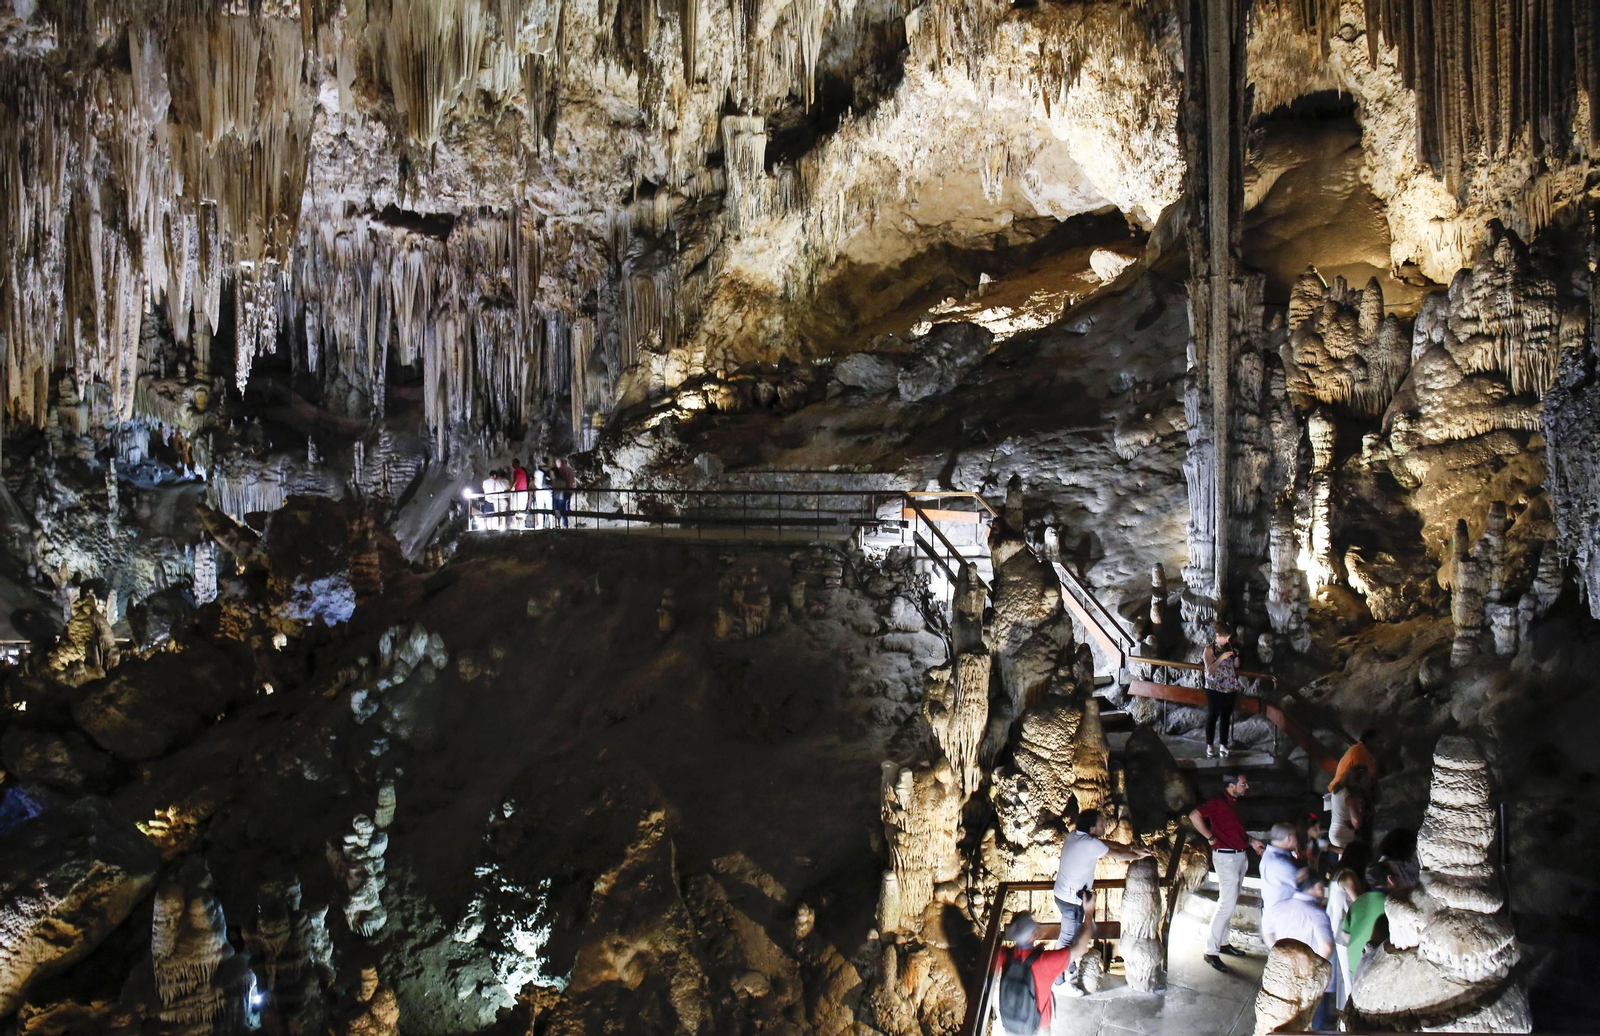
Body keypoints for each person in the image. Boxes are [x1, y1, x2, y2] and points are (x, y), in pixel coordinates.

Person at [1188, 774, 1267, 972]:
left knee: (1229, 901)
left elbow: (1234, 830)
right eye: (1243, 784)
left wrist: (1252, 842)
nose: (1246, 787)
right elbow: (1194, 815)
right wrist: (1209, 837)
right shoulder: (1218, 802)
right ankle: (1211, 951)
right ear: (1231, 785)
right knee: (1227, 904)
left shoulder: (1234, 803)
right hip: (1226, 857)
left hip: (1239, 855)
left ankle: (1223, 942)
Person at [994, 899, 1097, 1034]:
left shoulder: (1003, 954)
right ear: (1034, 935)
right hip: (1039, 1024)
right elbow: (1081, 947)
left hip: (1012, 1022)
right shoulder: (1046, 962)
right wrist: (1088, 913)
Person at [1052, 809, 1153, 944]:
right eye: (1101, 824)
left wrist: (1132, 849)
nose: (1105, 826)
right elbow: (1119, 855)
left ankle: (1068, 957)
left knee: (1071, 937)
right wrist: (1139, 856)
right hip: (1071, 900)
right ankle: (1063, 958)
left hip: (1062, 894)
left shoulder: (1074, 835)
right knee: (1067, 939)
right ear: (1092, 828)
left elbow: (1106, 844)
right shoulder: (1090, 843)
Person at [1261, 869, 1337, 1031]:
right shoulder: (1316, 914)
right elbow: (1327, 946)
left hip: (1283, 976)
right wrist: (1313, 971)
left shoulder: (1279, 906)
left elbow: (1267, 932)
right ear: (1318, 887)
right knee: (1313, 1019)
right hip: (1307, 978)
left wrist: (1279, 957)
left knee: (1281, 1020)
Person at [1346, 861, 1397, 980]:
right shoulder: (1392, 905)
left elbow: (1345, 936)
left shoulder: (1358, 902)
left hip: (1355, 966)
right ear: (1390, 880)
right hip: (1375, 969)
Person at [1203, 622, 1244, 758]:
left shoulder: (1229, 647)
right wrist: (1221, 658)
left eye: (1228, 638)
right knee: (1213, 715)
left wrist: (1236, 656)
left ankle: (1223, 745)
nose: (1227, 640)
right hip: (1214, 687)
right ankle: (1210, 745)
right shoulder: (1209, 649)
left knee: (1226, 717)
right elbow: (1210, 670)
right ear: (1217, 635)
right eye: (1225, 637)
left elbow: (1236, 665)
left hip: (1230, 687)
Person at [1326, 868, 1365, 1008]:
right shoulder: (1347, 877)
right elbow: (1360, 903)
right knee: (1350, 978)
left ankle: (1347, 1009)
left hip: (1340, 930)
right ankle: (1351, 1010)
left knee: (1346, 978)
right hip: (1345, 932)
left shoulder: (1338, 875)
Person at [1260, 822, 1301, 912]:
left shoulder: (1268, 854)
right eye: (1295, 836)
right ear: (1289, 838)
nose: (1297, 840)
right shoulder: (1282, 863)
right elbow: (1305, 887)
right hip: (1283, 915)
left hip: (1272, 911)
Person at [553, 455, 576, 527]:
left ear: (559, 463)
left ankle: (559, 523)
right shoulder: (570, 469)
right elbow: (572, 480)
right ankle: (565, 524)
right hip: (570, 490)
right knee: (566, 508)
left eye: (557, 463)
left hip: (561, 492)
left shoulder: (560, 470)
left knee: (559, 508)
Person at [531, 463, 553, 530]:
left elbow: (536, 482)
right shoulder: (550, 471)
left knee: (540, 508)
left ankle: (541, 525)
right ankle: (552, 525)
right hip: (548, 491)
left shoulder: (537, 472)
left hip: (540, 492)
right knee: (550, 508)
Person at [510, 459, 530, 527]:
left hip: (519, 492)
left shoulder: (517, 470)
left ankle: (514, 523)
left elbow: (516, 480)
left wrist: (510, 488)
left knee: (514, 507)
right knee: (522, 508)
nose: (512, 465)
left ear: (516, 464)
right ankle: (522, 524)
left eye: (513, 463)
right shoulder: (523, 471)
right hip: (524, 491)